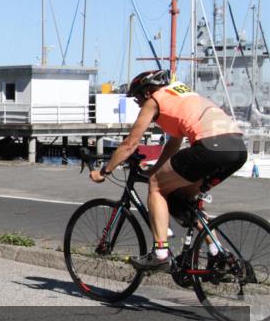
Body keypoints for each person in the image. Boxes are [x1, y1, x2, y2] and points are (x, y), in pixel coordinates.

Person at [90, 69, 246, 271]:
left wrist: (104, 172)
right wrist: (154, 168)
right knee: (183, 199)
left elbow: (130, 144)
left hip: (211, 146)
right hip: (237, 149)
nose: (136, 102)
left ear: (147, 92)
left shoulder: (154, 100)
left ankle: (160, 253)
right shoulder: (179, 96)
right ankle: (218, 253)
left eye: (136, 97)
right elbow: (173, 145)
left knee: (155, 185)